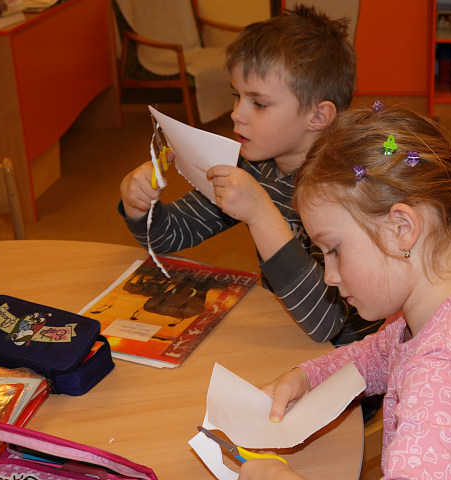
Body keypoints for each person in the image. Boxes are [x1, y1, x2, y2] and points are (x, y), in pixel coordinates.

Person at [238, 106, 451, 480]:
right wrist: (307, 378)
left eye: (334, 249)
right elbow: (375, 356)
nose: (329, 277)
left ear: (403, 228)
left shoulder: (449, 369)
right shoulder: (442, 306)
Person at [118, 6, 386, 350]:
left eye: (258, 103)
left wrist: (260, 214)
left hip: (354, 357)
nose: (236, 114)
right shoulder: (253, 166)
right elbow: (171, 234)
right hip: (290, 330)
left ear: (318, 116)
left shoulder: (347, 189)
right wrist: (139, 206)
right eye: (237, 96)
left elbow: (326, 323)